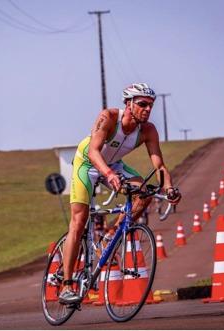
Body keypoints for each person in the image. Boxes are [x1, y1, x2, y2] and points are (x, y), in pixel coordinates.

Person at [58, 83, 181, 305]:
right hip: (87, 163)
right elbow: (94, 151)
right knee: (79, 221)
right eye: (142, 104)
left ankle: (109, 237)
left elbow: (159, 165)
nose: (147, 109)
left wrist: (169, 187)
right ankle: (67, 286)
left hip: (113, 164)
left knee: (144, 193)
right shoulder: (109, 117)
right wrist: (108, 174)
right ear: (128, 103)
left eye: (150, 105)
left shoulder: (148, 130)